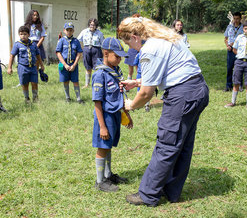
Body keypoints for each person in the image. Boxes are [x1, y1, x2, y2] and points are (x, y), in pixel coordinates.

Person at [118, 17, 209, 207]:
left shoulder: (149, 49)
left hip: (183, 95)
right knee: (182, 143)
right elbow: (171, 71)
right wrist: (137, 82)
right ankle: (171, 190)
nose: (130, 48)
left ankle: (148, 194)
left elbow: (146, 94)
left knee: (167, 143)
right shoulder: (165, 38)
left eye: (128, 43)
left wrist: (130, 105)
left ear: (134, 37)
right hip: (197, 89)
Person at [92, 37, 133, 192]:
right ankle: (99, 180)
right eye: (117, 56)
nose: (120, 59)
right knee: (103, 147)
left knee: (109, 146)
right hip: (105, 117)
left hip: (115, 115)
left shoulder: (115, 72)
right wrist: (102, 126)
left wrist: (127, 115)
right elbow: (97, 103)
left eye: (121, 56)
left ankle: (108, 175)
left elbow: (119, 96)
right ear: (105, 53)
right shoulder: (100, 74)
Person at [224, 20, 247, 111]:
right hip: (239, 62)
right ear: (243, 29)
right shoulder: (239, 37)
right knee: (236, 82)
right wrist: (241, 56)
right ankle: (233, 102)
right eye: (245, 29)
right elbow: (234, 49)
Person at [7, 26, 45, 103]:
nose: (23, 36)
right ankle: (27, 98)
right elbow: (12, 56)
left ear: (29, 34)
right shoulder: (17, 44)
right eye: (21, 34)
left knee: (34, 83)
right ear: (19, 35)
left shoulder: (33, 44)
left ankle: (35, 98)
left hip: (33, 67)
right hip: (23, 67)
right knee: (25, 83)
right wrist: (9, 67)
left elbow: (38, 55)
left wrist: (41, 64)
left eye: (25, 34)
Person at [56, 22, 84, 103]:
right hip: (64, 64)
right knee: (65, 81)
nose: (69, 32)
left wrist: (74, 65)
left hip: (73, 64)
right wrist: (65, 64)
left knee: (75, 81)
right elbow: (58, 53)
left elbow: (79, 53)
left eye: (71, 30)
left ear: (73, 31)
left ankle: (78, 98)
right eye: (67, 30)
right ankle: (67, 97)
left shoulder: (76, 41)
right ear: (64, 30)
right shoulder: (61, 41)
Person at [77, 18, 104, 88]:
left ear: (96, 26)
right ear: (89, 24)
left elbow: (103, 44)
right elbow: (78, 40)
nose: (92, 26)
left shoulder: (99, 33)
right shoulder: (84, 31)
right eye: (91, 24)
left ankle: (96, 83)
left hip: (96, 50)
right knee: (88, 67)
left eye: (94, 25)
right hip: (86, 49)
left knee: (97, 68)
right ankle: (87, 84)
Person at [224, 12, 243, 92]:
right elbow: (225, 38)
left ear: (240, 19)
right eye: (234, 18)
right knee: (229, 68)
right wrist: (227, 45)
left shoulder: (243, 28)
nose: (236, 20)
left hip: (239, 51)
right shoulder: (229, 27)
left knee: (239, 68)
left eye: (237, 18)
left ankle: (240, 85)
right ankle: (228, 85)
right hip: (230, 50)